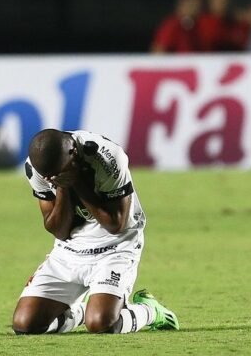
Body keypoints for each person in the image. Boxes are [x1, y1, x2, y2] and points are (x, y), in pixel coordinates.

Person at [12, 129, 179, 335]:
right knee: (25, 324)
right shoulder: (37, 168)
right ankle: (82, 312)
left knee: (102, 324)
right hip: (69, 250)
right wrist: (63, 187)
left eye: (57, 174)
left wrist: (78, 181)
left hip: (115, 246)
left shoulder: (108, 157)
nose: (51, 179)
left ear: (73, 152)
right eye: (50, 177)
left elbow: (115, 224)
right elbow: (59, 231)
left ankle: (150, 311)